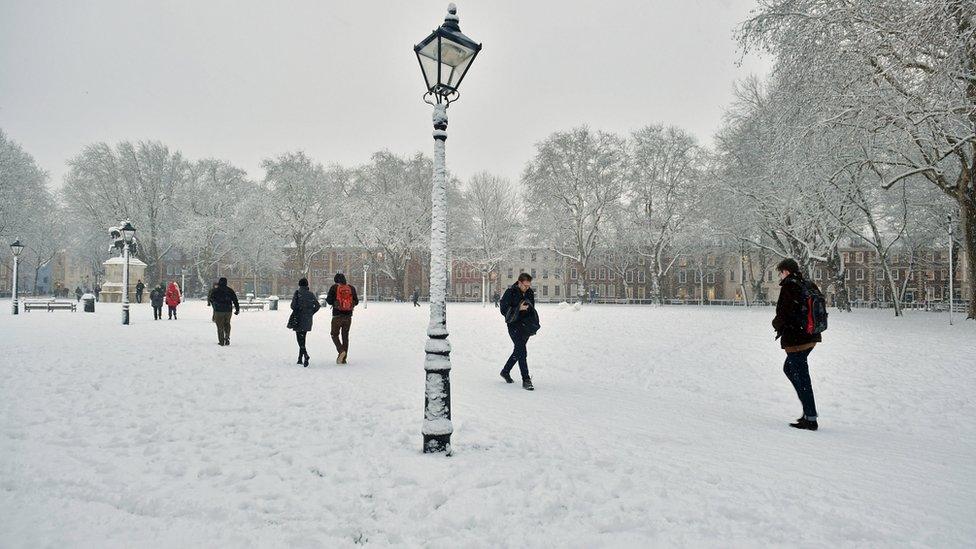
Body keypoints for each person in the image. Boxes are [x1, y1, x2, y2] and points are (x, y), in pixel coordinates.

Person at [772, 258, 823, 431]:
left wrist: (775, 324)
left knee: (802, 377)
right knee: (791, 370)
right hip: (811, 336)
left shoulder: (790, 286)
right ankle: (808, 412)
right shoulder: (808, 284)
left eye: (781, 271)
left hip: (797, 339)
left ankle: (810, 417)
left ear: (786, 271)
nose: (780, 275)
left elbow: (784, 312)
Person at [499, 273, 541, 391]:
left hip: (526, 325)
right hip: (514, 325)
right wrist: (518, 308)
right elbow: (503, 310)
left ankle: (505, 371)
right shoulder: (510, 292)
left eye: (529, 286)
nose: (527, 288)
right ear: (519, 282)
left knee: (518, 350)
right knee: (522, 351)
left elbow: (532, 308)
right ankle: (526, 379)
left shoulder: (529, 292)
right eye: (525, 286)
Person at [325, 273, 359, 364]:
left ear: (336, 280)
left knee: (334, 334)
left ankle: (341, 351)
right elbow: (356, 301)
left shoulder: (334, 287)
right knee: (345, 336)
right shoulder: (351, 288)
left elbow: (328, 300)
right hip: (348, 316)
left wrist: (335, 302)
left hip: (337, 316)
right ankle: (343, 359)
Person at [289, 278, 321, 366]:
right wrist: (311, 312)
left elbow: (292, 306)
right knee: (303, 338)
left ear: (299, 285)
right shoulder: (311, 294)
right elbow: (317, 306)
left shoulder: (297, 293)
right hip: (307, 319)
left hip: (298, 318)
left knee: (300, 339)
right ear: (307, 285)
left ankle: (305, 355)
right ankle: (300, 358)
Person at [208, 277, 239, 346]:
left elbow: (211, 298)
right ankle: (227, 337)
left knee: (220, 326)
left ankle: (221, 341)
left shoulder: (215, 290)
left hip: (219, 311)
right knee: (227, 324)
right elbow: (235, 300)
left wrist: (215, 305)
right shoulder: (230, 290)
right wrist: (237, 309)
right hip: (228, 311)